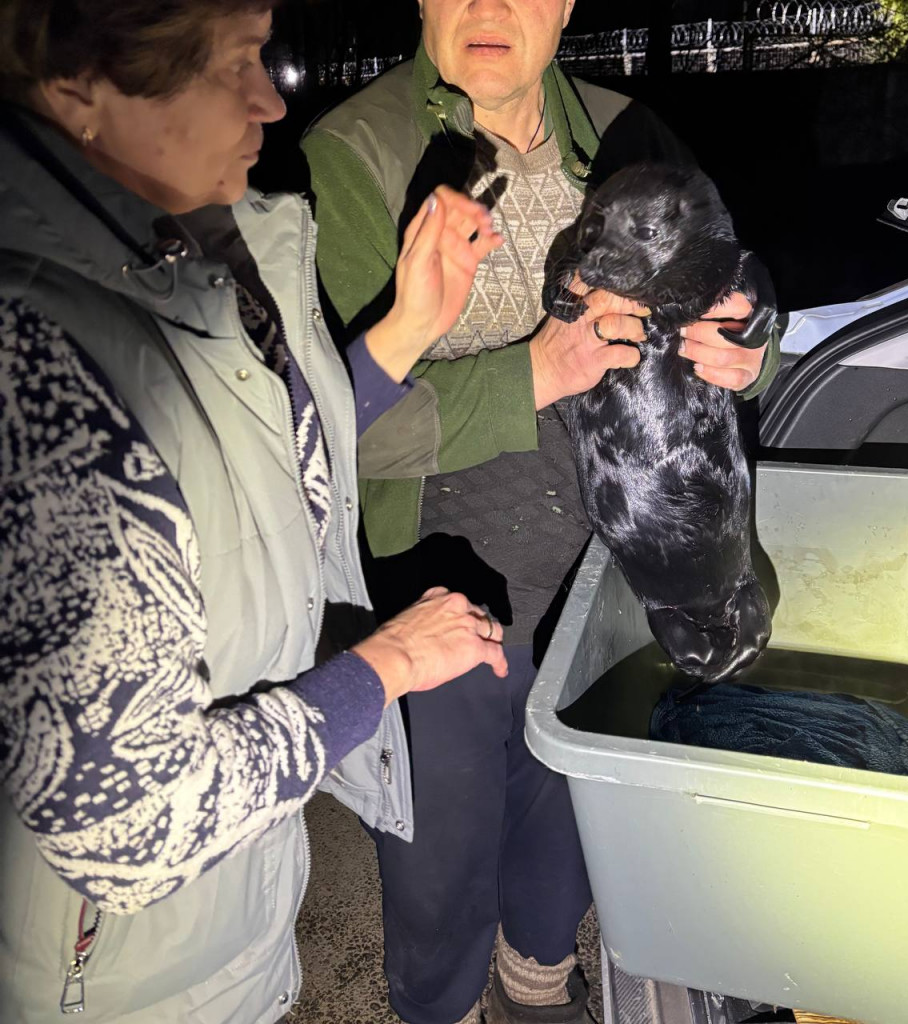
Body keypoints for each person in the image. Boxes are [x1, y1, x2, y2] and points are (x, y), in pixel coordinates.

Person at [0, 2, 509, 1022]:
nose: (270, 102)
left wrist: (404, 331)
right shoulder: (36, 364)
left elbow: (258, 460)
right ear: (78, 88)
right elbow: (128, 827)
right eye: (233, 63)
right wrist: (385, 667)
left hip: (232, 919)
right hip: (129, 984)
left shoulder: (180, 239)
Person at [302, 2, 782, 1023]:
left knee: (568, 796)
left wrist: (750, 343)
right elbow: (328, 428)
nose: (487, 8)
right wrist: (536, 370)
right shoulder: (352, 153)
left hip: (605, 558)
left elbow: (733, 284)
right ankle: (437, 1005)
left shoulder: (627, 134)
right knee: (437, 840)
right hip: (430, 563)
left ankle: (536, 977)